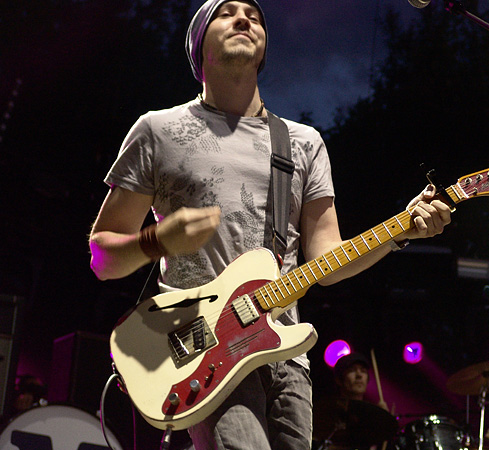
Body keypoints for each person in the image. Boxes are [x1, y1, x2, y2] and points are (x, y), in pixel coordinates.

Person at [88, 0, 452, 448]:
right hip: (199, 351)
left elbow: (328, 262)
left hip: (283, 353)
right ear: (198, 44)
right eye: (227, 12)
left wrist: (401, 231)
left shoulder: (302, 144)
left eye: (255, 16)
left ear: (263, 50)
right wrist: (157, 239)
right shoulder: (158, 131)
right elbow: (103, 256)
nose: (245, 19)